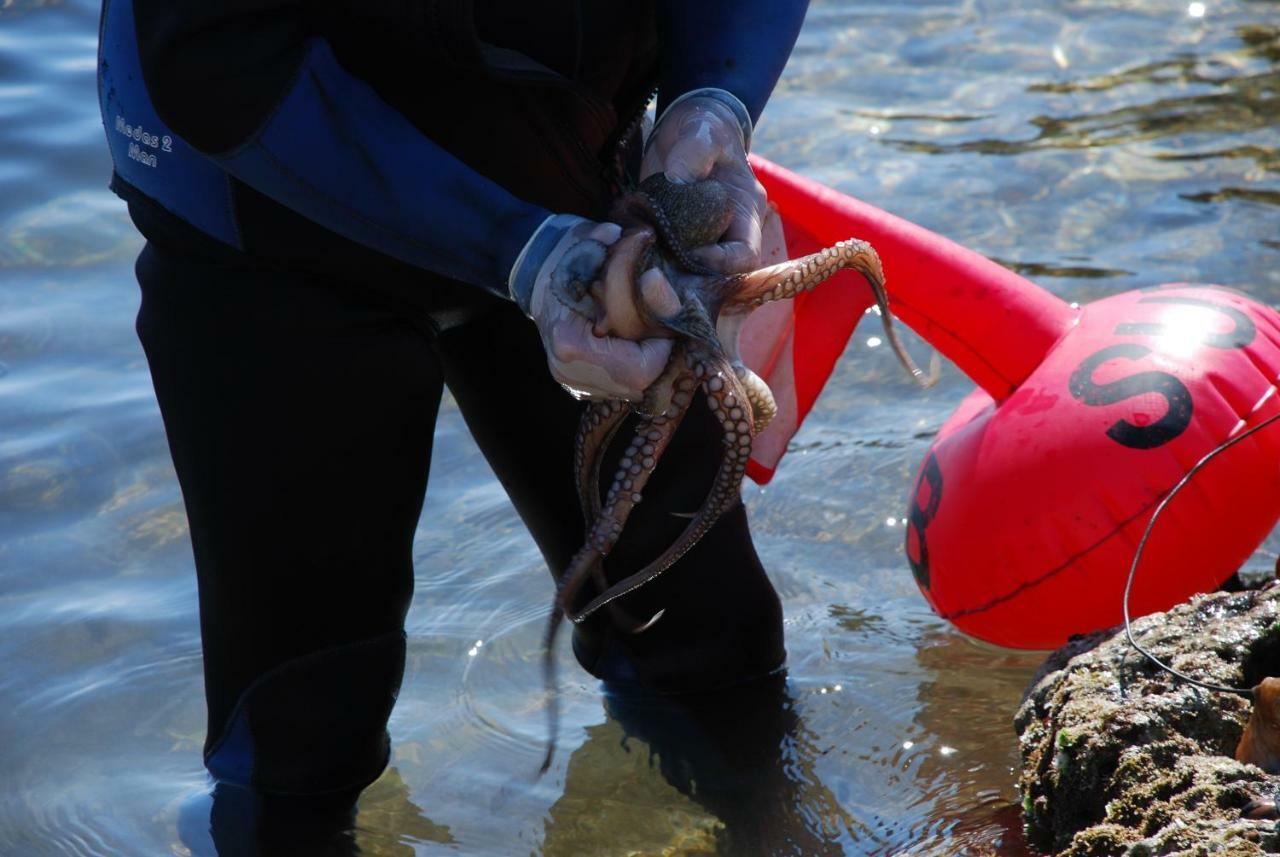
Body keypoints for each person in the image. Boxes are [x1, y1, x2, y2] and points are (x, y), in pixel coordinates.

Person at [98, 0, 810, 845]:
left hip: (566, 180)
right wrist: (521, 249)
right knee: (300, 736)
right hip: (263, 195)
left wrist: (714, 104)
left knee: (712, 643)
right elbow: (215, 57)